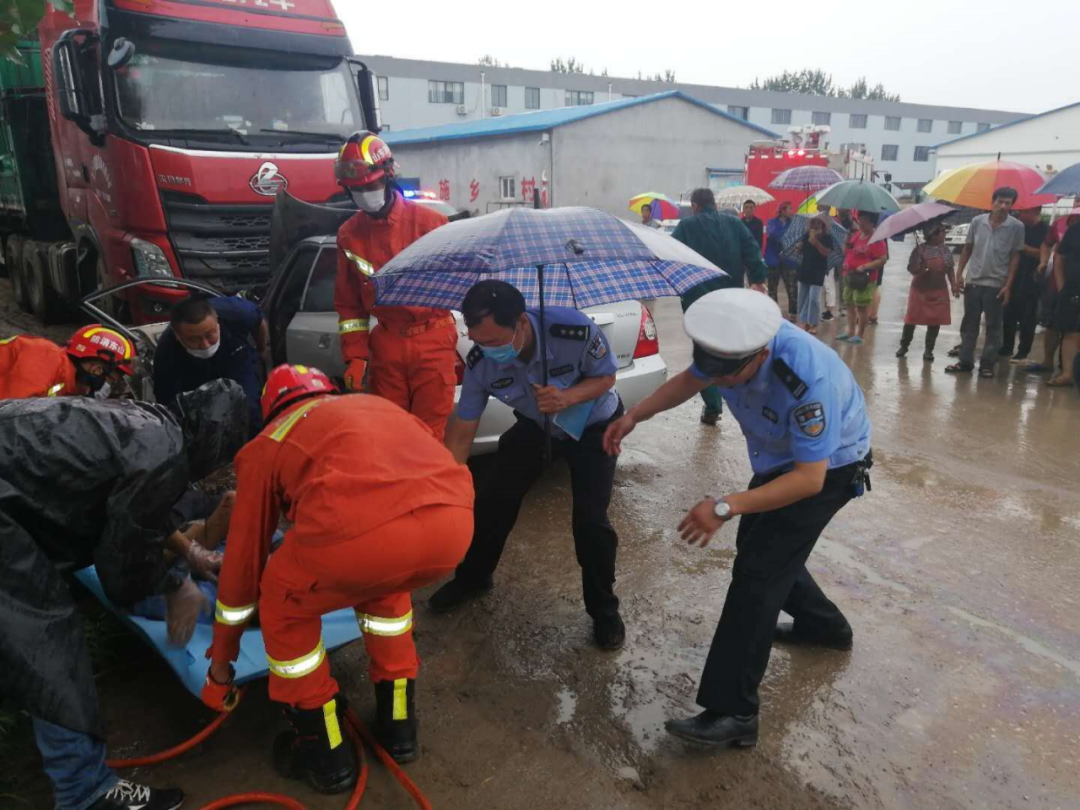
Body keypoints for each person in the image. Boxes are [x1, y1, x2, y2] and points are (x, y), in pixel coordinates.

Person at [602, 289, 872, 748]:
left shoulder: (806, 381)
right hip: (778, 460)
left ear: (762, 354)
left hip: (829, 470)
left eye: (731, 375)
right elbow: (693, 378)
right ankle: (825, 628)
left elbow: (809, 480)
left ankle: (735, 712)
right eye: (717, 372)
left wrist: (725, 506)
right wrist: (634, 416)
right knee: (762, 550)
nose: (722, 384)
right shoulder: (730, 346)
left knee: (756, 576)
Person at [203, 366, 473, 790]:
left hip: (361, 542)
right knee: (385, 585)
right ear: (329, 390)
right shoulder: (379, 407)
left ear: (271, 408)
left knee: (282, 599)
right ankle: (399, 728)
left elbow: (244, 560)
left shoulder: (270, 441)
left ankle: (326, 755)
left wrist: (222, 662)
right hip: (453, 527)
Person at [0, 380, 248, 810]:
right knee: (45, 642)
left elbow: (129, 507)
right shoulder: (163, 456)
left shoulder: (148, 423)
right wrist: (177, 587)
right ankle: (85, 793)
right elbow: (121, 570)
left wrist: (190, 550)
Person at [428, 280, 627, 649]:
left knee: (591, 522)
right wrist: (447, 484)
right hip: (539, 426)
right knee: (492, 500)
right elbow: (463, 427)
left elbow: (607, 376)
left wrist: (567, 396)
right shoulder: (479, 361)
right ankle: (473, 577)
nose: (486, 351)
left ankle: (604, 610)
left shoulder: (572, 329)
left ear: (520, 323)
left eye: (493, 342)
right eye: (478, 341)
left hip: (594, 425)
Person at [333, 130, 457, 437]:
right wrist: (356, 356)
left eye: (370, 185)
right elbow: (349, 307)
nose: (365, 194)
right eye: (356, 189)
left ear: (388, 176)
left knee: (428, 438)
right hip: (387, 342)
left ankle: (430, 486)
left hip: (433, 337)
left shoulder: (430, 224)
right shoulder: (349, 234)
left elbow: (459, 285)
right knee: (390, 435)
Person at [672, 188, 765, 425]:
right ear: (713, 203)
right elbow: (752, 252)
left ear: (694, 205)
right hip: (730, 298)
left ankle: (713, 406)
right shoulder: (735, 224)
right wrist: (757, 279)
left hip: (698, 301)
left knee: (705, 351)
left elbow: (670, 256)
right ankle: (738, 398)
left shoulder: (686, 227)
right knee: (728, 347)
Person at [153, 294, 268, 435]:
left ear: (217, 322)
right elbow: (169, 405)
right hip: (192, 371)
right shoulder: (166, 353)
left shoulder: (237, 312)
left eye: (210, 335)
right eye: (194, 340)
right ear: (178, 336)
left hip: (236, 359)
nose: (205, 345)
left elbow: (258, 321)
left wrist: (261, 349)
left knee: (249, 409)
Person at [946, 187, 1024, 378]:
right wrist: (958, 275)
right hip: (973, 282)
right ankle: (965, 362)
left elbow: (1015, 257)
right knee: (969, 325)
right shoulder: (977, 222)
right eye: (1000, 202)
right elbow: (967, 249)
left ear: (1012, 205)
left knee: (994, 328)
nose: (1003, 206)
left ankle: (987, 365)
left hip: (996, 284)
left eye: (1008, 203)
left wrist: (1008, 285)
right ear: (993, 202)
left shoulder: (1016, 227)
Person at [0, 324, 136, 399]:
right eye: (110, 380)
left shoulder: (68, 385)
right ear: (95, 368)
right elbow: (13, 419)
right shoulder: (46, 357)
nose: (107, 388)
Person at [896, 224, 956, 361]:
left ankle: (929, 350)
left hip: (939, 290)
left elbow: (950, 269)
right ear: (933, 234)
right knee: (911, 320)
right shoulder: (919, 250)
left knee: (935, 322)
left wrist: (953, 286)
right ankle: (904, 346)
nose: (944, 234)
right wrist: (920, 265)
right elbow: (912, 270)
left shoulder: (945, 250)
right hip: (919, 291)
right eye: (942, 232)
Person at [1001, 208, 1050, 363]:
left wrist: (1021, 246)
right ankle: (1006, 347)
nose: (1020, 215)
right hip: (1013, 275)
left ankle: (1023, 351)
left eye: (1024, 212)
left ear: (1035, 211)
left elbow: (1043, 254)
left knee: (1028, 317)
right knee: (1008, 313)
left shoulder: (1045, 229)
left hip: (1033, 278)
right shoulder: (1018, 226)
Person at [837, 211, 888, 345]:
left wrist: (866, 266)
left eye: (864, 220)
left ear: (872, 223)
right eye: (860, 220)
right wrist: (846, 243)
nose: (860, 222)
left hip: (864, 278)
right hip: (850, 275)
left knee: (861, 306)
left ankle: (860, 334)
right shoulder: (856, 235)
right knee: (849, 303)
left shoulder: (876, 239)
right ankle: (850, 332)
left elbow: (882, 259)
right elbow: (847, 251)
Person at [1046, 219, 1080, 387]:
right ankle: (1067, 373)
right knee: (1070, 331)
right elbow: (1059, 256)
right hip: (1073, 288)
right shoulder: (1075, 230)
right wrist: (1061, 285)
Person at [794, 215, 833, 334]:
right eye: (813, 222)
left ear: (823, 225)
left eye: (818, 223)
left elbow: (826, 253)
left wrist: (815, 242)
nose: (815, 225)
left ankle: (814, 323)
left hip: (818, 271)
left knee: (814, 299)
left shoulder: (827, 237)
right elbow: (799, 253)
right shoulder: (806, 235)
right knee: (802, 298)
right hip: (805, 270)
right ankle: (804, 321)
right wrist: (798, 248)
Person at [765, 201, 799, 319]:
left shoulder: (794, 223)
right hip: (773, 259)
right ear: (783, 211)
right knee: (772, 288)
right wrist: (788, 235)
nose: (792, 211)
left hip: (789, 260)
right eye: (790, 209)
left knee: (792, 287)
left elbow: (796, 237)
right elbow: (774, 234)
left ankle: (793, 312)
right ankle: (773, 311)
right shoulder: (771, 222)